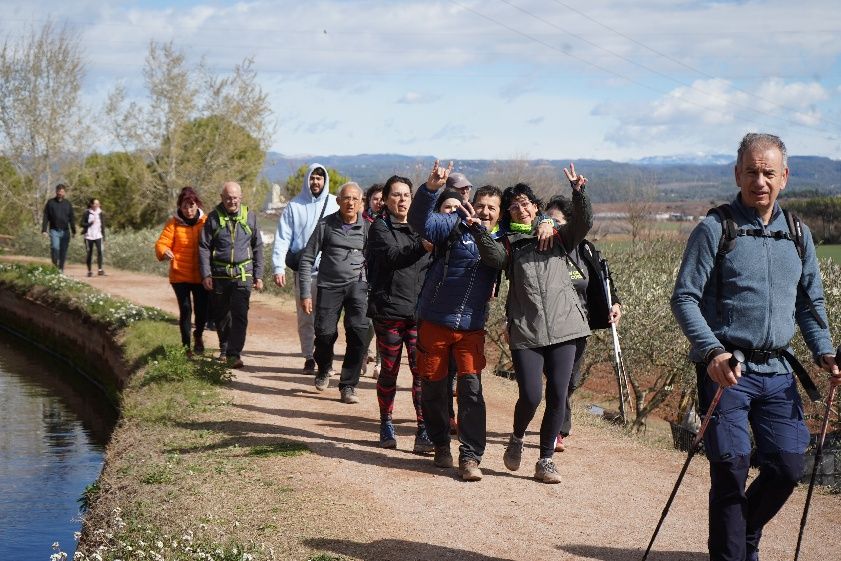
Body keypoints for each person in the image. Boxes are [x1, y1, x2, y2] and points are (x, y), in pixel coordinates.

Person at [671, 133, 840, 561]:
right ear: (737, 174)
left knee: (787, 466)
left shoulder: (798, 235)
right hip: (726, 368)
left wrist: (824, 350)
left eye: (768, 172)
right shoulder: (715, 228)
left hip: (779, 371)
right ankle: (731, 552)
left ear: (784, 177)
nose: (759, 180)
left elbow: (810, 302)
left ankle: (740, 534)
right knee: (730, 464)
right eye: (751, 171)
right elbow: (684, 297)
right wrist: (712, 352)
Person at [474, 167, 592, 483]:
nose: (520, 209)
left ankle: (545, 460)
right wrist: (480, 231)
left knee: (557, 394)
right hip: (527, 328)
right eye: (513, 206)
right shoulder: (509, 243)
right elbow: (493, 257)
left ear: (535, 206)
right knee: (530, 395)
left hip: (566, 326)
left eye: (525, 203)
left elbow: (583, 223)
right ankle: (516, 437)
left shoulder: (556, 236)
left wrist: (578, 194)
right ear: (508, 213)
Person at [407, 160, 503, 482]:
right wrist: (430, 189)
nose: (485, 212)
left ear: (499, 214)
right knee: (433, 389)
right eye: (481, 206)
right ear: (469, 205)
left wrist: (479, 229)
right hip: (435, 319)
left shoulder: (501, 241)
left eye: (492, 208)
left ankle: (471, 456)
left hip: (471, 327)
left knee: (471, 391)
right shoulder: (451, 226)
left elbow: (495, 258)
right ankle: (439, 444)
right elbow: (419, 221)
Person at [544, 195, 622, 452]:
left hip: (579, 324)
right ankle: (555, 429)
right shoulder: (544, 246)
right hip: (548, 323)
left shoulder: (586, 249)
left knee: (569, 380)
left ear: (569, 223)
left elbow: (603, 281)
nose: (550, 225)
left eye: (556, 221)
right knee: (557, 379)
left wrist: (616, 304)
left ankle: (557, 426)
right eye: (547, 220)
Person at [367, 175, 433, 451]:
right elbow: (395, 257)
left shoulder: (422, 228)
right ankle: (386, 423)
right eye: (396, 194)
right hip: (389, 312)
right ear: (386, 200)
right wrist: (422, 245)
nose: (402, 199)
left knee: (421, 374)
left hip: (419, 314)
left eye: (406, 194)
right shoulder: (379, 228)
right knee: (390, 372)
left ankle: (423, 430)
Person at [298, 182, 369, 404]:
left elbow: (376, 260)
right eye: (346, 198)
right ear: (338, 201)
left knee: (359, 332)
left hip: (358, 286)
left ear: (361, 203)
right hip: (329, 286)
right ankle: (324, 367)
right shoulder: (325, 225)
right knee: (325, 334)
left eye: (355, 199)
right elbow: (307, 258)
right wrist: (305, 293)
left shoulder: (368, 228)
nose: (350, 203)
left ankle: (348, 386)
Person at [272, 165, 338, 374]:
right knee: (306, 317)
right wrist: (278, 267)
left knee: (327, 319)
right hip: (303, 272)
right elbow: (283, 238)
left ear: (325, 180)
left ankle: (325, 359)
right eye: (313, 178)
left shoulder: (335, 204)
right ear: (307, 180)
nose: (316, 182)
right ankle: (309, 356)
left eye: (319, 178)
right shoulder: (294, 206)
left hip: (329, 272)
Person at [199, 181, 264, 369]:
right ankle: (224, 347)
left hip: (243, 274)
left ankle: (234, 353)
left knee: (240, 315)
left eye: (235, 198)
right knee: (221, 314)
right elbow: (203, 247)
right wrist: (206, 274)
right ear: (222, 198)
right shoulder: (212, 218)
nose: (231, 201)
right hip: (219, 275)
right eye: (228, 198)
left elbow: (258, 246)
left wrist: (258, 275)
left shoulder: (249, 216)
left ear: (240, 198)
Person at [155, 187, 208, 357]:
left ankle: (198, 335)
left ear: (197, 205)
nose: (189, 210)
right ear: (180, 206)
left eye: (191, 206)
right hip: (180, 275)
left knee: (201, 310)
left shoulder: (205, 222)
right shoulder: (173, 223)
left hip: (201, 276)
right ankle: (187, 348)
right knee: (185, 310)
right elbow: (162, 243)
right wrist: (164, 251)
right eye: (185, 206)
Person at [361, 183, 385, 378]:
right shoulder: (361, 222)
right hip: (364, 278)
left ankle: (379, 363)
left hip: (384, 279)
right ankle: (362, 352)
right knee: (366, 323)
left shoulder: (391, 221)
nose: (379, 202)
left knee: (382, 324)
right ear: (369, 200)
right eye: (375, 198)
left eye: (382, 198)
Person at [42, 183, 75, 273]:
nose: (60, 193)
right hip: (54, 230)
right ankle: (54, 266)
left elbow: (72, 218)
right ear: (56, 191)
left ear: (64, 193)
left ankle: (60, 270)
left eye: (62, 192)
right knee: (55, 247)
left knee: (63, 252)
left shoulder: (68, 204)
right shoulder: (50, 202)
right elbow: (46, 216)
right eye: (59, 191)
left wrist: (74, 231)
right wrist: (44, 230)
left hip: (65, 231)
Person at [80, 198, 106, 277]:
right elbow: (81, 223)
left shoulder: (100, 213)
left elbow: (103, 225)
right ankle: (89, 271)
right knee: (89, 253)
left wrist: (104, 236)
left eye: (98, 203)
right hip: (89, 236)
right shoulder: (87, 213)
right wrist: (89, 224)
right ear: (91, 204)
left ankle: (100, 269)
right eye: (95, 203)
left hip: (98, 235)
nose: (97, 205)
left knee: (100, 251)